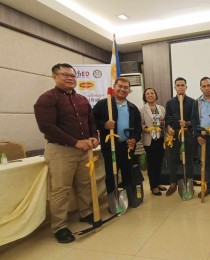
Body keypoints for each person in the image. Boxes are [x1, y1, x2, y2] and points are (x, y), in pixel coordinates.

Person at [34, 63, 99, 243]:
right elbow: (47, 127)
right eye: (65, 75)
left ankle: (85, 213)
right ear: (54, 77)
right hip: (61, 151)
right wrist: (75, 142)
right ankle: (60, 227)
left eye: (73, 75)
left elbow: (91, 123)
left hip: (84, 150)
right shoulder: (47, 99)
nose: (70, 78)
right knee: (61, 190)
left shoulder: (82, 100)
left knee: (85, 184)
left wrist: (94, 137)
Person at [93, 77, 142, 211]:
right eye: (120, 86)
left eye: (126, 87)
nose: (122, 89)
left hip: (127, 146)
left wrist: (135, 139)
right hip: (110, 147)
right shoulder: (104, 104)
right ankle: (113, 202)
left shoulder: (132, 108)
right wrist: (104, 125)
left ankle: (129, 198)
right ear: (114, 87)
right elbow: (92, 120)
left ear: (129, 90)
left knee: (128, 172)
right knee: (111, 173)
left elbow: (138, 128)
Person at [164, 77, 195, 196]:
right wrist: (169, 128)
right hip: (174, 135)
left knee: (188, 160)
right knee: (172, 159)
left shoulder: (192, 102)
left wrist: (187, 123)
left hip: (187, 134)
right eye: (178, 85)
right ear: (175, 87)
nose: (180, 87)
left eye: (183, 85)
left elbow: (194, 120)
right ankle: (173, 184)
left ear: (186, 87)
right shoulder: (170, 103)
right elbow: (168, 119)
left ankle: (189, 182)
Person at [140, 88, 167, 195]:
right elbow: (140, 124)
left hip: (160, 138)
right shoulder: (142, 109)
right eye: (147, 93)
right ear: (145, 96)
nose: (150, 95)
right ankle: (153, 186)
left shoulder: (161, 108)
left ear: (156, 95)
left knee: (159, 161)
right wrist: (148, 129)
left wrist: (162, 122)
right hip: (150, 139)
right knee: (152, 163)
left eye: (152, 93)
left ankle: (158, 182)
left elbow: (164, 123)